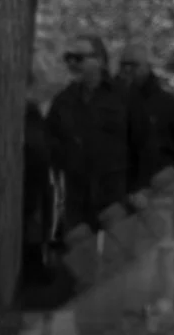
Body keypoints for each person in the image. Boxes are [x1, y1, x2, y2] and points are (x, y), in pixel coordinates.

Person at [119, 43, 174, 317]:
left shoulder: (168, 106)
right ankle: (136, 314)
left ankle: (155, 313)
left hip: (158, 196)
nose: (128, 71)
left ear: (148, 67)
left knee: (157, 256)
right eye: (124, 65)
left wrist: (165, 185)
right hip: (119, 198)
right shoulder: (114, 102)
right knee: (138, 259)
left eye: (134, 65)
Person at [45, 36, 132, 246]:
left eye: (79, 58)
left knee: (118, 256)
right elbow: (50, 147)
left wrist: (137, 191)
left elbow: (144, 144)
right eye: (69, 58)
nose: (72, 64)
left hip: (115, 196)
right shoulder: (63, 101)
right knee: (79, 259)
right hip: (76, 198)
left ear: (100, 60)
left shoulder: (124, 97)